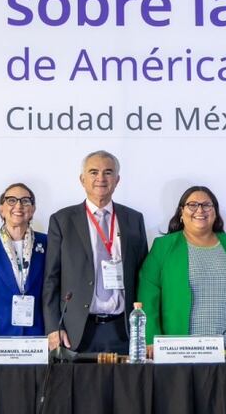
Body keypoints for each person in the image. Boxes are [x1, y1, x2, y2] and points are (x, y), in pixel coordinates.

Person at [138, 186, 226, 355]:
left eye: (206, 205)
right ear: (181, 212)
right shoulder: (163, 247)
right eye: (192, 205)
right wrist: (149, 339)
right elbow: (147, 296)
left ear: (215, 212)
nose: (200, 210)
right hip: (181, 350)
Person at [43, 150, 149, 353]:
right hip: (76, 331)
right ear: (82, 179)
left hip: (124, 329)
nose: (101, 178)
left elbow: (142, 276)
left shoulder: (134, 219)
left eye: (108, 172)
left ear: (117, 180)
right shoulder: (62, 220)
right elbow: (50, 280)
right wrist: (53, 327)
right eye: (93, 172)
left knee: (125, 385)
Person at [0, 183, 47, 356]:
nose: (18, 206)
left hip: (38, 341)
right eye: (11, 200)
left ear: (33, 209)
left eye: (25, 201)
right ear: (1, 209)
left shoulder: (48, 244)